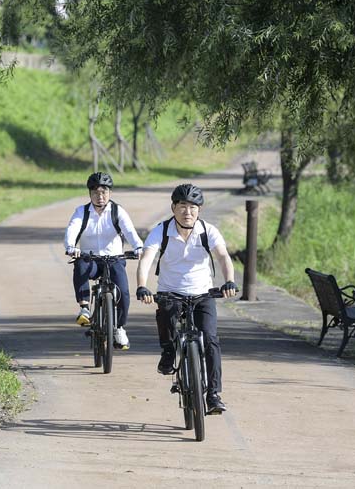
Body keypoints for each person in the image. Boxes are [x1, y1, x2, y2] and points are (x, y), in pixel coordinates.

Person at [135, 183, 237, 414]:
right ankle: (168, 351)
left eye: (193, 207)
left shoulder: (208, 231)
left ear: (199, 210)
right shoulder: (160, 231)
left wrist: (229, 280)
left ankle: (213, 394)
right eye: (182, 206)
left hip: (203, 293)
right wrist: (142, 286)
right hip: (171, 292)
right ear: (173, 208)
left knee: (211, 340)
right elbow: (147, 259)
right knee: (165, 317)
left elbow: (222, 256)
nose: (187, 212)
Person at [64, 172, 143, 350]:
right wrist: (71, 247)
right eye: (95, 192)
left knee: (123, 292)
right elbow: (72, 230)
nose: (100, 196)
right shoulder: (82, 212)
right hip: (90, 259)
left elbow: (130, 231)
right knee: (80, 265)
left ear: (110, 193)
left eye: (104, 192)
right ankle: (84, 308)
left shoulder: (117, 211)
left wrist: (138, 247)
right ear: (89, 194)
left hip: (114, 259)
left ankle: (119, 328)